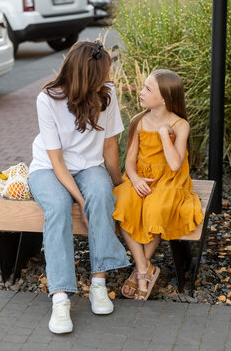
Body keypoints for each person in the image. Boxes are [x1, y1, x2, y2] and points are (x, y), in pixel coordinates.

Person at [28, 40, 130, 334]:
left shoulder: (105, 95)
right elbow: (57, 161)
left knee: (101, 194)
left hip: (89, 166)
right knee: (59, 207)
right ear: (87, 76)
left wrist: (118, 186)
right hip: (49, 168)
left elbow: (110, 146)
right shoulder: (47, 99)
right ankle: (60, 298)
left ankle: (98, 283)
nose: (109, 79)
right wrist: (80, 202)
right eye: (104, 74)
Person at [112, 69, 204, 301]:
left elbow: (174, 164)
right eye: (143, 87)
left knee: (156, 208)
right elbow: (130, 162)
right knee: (122, 203)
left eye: (147, 89)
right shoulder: (138, 121)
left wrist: (164, 135)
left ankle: (139, 272)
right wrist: (134, 179)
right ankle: (144, 267)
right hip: (141, 178)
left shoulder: (179, 124)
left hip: (170, 182)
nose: (141, 92)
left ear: (164, 98)